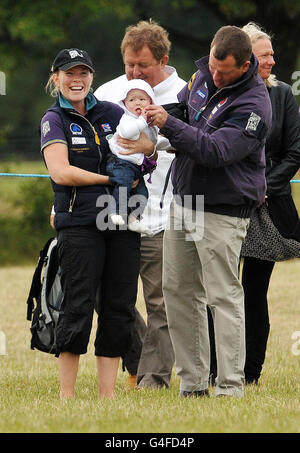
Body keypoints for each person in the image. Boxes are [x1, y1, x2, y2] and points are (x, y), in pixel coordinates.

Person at [146, 25, 272, 397]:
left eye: (224, 72)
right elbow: (185, 110)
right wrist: (150, 113)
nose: (215, 76)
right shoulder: (203, 75)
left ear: (245, 65)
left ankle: (230, 386)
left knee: (222, 294)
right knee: (178, 291)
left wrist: (168, 124)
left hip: (224, 208)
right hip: (185, 200)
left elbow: (216, 151)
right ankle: (192, 383)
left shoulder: (254, 105)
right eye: (213, 67)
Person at [40, 48, 155, 399]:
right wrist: (111, 181)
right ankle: (67, 395)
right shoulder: (53, 119)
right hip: (78, 223)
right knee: (77, 304)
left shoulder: (111, 111)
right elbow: (61, 171)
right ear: (56, 77)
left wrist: (145, 149)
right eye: (69, 73)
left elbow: (146, 147)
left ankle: (107, 395)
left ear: (92, 77)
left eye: (84, 73)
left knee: (119, 306)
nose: (77, 80)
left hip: (121, 222)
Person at [94, 20, 186, 389]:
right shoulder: (108, 92)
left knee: (161, 302)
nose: (133, 73)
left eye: (142, 66)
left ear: (163, 59)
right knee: (105, 293)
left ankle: (153, 379)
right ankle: (137, 362)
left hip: (166, 214)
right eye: (129, 64)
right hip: (111, 208)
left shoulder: (185, 94)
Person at [240, 22, 300, 385]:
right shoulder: (225, 95)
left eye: (273, 55)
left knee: (254, 291)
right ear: (245, 60)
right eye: (264, 56)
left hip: (268, 205)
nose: (272, 62)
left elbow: (296, 151)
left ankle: (251, 373)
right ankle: (217, 368)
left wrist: (264, 186)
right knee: (220, 290)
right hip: (228, 202)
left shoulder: (283, 96)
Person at [107, 79, 166, 235]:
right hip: (121, 162)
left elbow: (155, 142)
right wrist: (142, 120)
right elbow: (127, 132)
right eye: (132, 100)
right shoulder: (127, 119)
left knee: (142, 194)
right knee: (124, 184)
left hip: (135, 167)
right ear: (125, 104)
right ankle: (116, 212)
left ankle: (134, 219)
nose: (137, 103)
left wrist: (172, 142)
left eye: (142, 99)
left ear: (151, 102)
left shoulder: (149, 124)